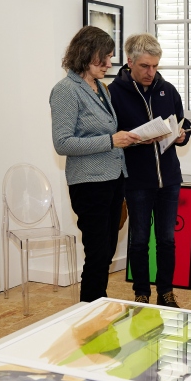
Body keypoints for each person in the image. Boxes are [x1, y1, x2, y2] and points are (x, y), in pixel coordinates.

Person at [50, 26, 141, 302]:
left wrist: (130, 138)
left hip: (113, 179)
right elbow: (63, 143)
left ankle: (97, 307)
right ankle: (90, 310)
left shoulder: (101, 88)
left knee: (107, 251)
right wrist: (111, 141)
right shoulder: (66, 90)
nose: (109, 64)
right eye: (105, 57)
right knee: (97, 254)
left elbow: (107, 133)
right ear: (87, 54)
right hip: (89, 184)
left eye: (110, 57)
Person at [108, 33, 191, 307]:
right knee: (139, 240)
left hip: (169, 179)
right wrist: (134, 139)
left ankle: (165, 292)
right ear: (130, 61)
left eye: (155, 66)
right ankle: (141, 294)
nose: (151, 72)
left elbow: (183, 122)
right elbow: (111, 137)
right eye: (145, 66)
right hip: (137, 181)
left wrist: (182, 135)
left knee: (166, 240)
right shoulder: (113, 93)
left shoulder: (168, 89)